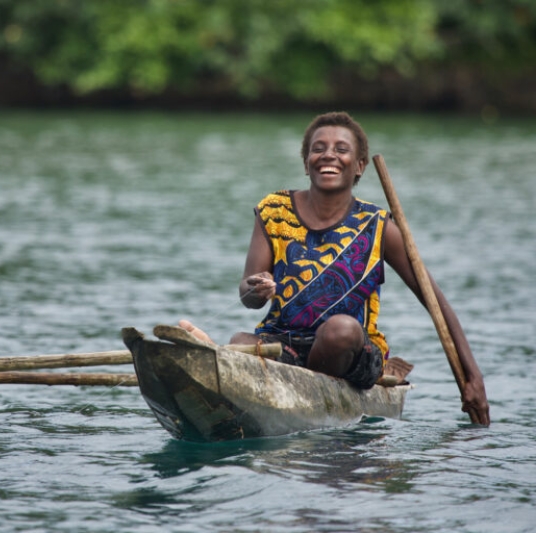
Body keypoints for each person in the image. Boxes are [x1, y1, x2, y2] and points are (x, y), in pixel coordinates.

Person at [181, 111, 490, 425]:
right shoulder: (274, 211)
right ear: (306, 163)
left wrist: (473, 378)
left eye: (341, 149)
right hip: (284, 343)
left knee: (339, 330)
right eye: (318, 149)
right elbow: (248, 297)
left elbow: (435, 302)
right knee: (239, 342)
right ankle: (231, 368)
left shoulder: (378, 226)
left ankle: (295, 395)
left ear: (359, 166)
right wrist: (256, 286)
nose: (328, 155)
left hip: (349, 353)